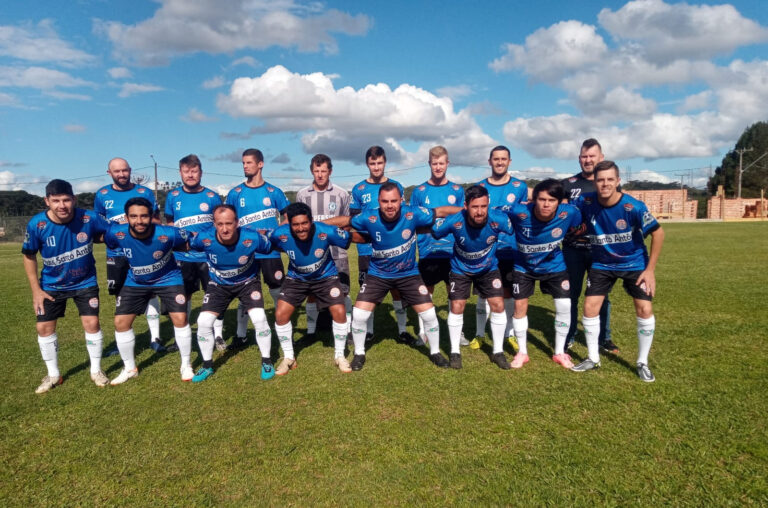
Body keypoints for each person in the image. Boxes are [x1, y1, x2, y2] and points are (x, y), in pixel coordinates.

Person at [339, 182, 459, 371]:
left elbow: (442, 211)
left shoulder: (413, 213)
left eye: (394, 201)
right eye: (385, 201)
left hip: (408, 274)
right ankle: (359, 353)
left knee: (428, 313)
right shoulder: (368, 217)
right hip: (377, 274)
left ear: (401, 200)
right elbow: (345, 221)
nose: (389, 205)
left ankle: (435, 351)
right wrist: (315, 224)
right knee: (360, 314)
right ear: (378, 202)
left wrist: (467, 211)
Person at [570, 161, 664, 382]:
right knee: (590, 306)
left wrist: (650, 270)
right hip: (602, 264)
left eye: (610, 179)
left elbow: (658, 234)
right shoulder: (585, 201)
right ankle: (593, 358)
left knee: (644, 308)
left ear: (618, 181)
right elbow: (563, 208)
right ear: (594, 181)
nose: (605, 184)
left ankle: (642, 362)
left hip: (635, 264)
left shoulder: (634, 207)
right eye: (600, 179)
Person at [22, 179, 110, 393]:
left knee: (92, 324)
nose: (62, 205)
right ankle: (53, 375)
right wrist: (36, 290)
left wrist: (99, 237)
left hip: (85, 282)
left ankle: (96, 370)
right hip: (51, 285)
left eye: (66, 200)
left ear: (74, 199)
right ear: (47, 201)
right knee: (44, 328)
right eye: (56, 201)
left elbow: (112, 233)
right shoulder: (37, 224)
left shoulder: (89, 217)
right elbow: (29, 255)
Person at [103, 197, 193, 384]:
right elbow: (109, 243)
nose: (139, 221)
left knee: (180, 319)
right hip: (135, 281)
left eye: (144, 216)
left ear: (152, 216)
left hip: (169, 279)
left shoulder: (168, 233)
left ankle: (186, 365)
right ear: (126, 218)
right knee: (121, 322)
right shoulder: (116, 233)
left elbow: (190, 241)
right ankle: (129, 368)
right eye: (134, 216)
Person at [187, 205, 274, 382]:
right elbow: (189, 245)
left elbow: (271, 247)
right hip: (218, 285)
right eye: (220, 224)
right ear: (214, 224)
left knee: (259, 318)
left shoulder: (252, 237)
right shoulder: (204, 238)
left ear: (237, 222)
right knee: (203, 322)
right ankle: (207, 365)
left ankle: (267, 360)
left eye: (229, 223)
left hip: (248, 283)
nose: (225, 229)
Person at [431, 185, 513, 370]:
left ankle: (498, 352)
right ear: (466, 206)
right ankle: (454, 352)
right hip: (460, 269)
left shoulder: (498, 220)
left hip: (488, 268)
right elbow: (435, 231)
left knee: (498, 305)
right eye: (475, 207)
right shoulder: (455, 221)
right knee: (457, 306)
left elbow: (518, 226)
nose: (480, 211)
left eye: (483, 206)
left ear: (488, 205)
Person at [503, 179, 582, 369]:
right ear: (534, 200)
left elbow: (579, 225)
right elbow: (493, 214)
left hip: (554, 266)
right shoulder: (518, 211)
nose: (546, 204)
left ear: (560, 202)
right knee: (520, 306)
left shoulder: (569, 212)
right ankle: (522, 352)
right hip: (524, 267)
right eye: (542, 199)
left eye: (552, 200)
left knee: (564, 305)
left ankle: (560, 352)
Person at [268, 203, 353, 374]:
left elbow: (348, 239)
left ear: (311, 221)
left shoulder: (326, 230)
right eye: (295, 225)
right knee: (280, 313)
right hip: (296, 278)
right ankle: (289, 357)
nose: (300, 228)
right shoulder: (280, 234)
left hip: (325, 277)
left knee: (339, 310)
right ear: (289, 224)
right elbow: (271, 244)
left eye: (304, 223)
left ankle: (339, 356)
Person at [94, 158, 165, 352]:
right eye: (117, 171)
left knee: (150, 293)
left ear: (130, 170)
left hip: (143, 251)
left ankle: (155, 338)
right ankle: (123, 340)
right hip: (116, 254)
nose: (122, 174)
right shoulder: (102, 195)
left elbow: (157, 221)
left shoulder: (145, 192)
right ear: (109, 173)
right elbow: (99, 226)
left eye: (125, 170)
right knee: (120, 296)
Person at [225, 148, 289, 348]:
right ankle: (241, 334)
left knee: (277, 290)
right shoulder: (235, 193)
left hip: (270, 251)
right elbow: (228, 220)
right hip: (246, 252)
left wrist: (277, 234)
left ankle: (282, 328)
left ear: (260, 164)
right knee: (246, 292)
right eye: (243, 163)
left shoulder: (274, 192)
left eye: (249, 163)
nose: (245, 166)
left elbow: (286, 217)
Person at [164, 154, 225, 351]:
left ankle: (218, 336)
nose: (190, 175)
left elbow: (219, 225)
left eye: (194, 171)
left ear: (201, 172)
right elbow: (170, 224)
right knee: (184, 296)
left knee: (214, 294)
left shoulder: (212, 196)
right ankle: (182, 336)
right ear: (180, 172)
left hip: (208, 257)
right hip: (183, 257)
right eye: (186, 171)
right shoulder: (172, 197)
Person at [561, 139, 615, 353]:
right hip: (572, 249)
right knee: (570, 295)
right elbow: (561, 214)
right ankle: (569, 335)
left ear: (601, 157)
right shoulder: (569, 184)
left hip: (599, 251)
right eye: (584, 156)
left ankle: (604, 338)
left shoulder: (606, 183)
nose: (588, 160)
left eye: (592, 156)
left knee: (601, 295)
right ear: (579, 158)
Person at [349, 146, 408, 343]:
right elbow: (354, 222)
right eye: (372, 163)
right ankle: (368, 331)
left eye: (379, 163)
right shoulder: (358, 189)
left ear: (385, 163)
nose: (376, 167)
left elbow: (403, 217)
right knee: (368, 290)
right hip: (367, 250)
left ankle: (402, 330)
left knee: (398, 289)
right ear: (367, 164)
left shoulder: (397, 186)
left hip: (393, 248)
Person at [474, 146, 528, 350]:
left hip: (510, 249)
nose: (499, 162)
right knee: (482, 293)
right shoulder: (480, 186)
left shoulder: (519, 186)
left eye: (503, 159)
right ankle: (479, 334)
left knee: (508, 293)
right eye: (496, 159)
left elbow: (522, 218)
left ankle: (509, 334)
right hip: (485, 249)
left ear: (509, 161)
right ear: (489, 161)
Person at [409, 145, 465, 344]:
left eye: (442, 163)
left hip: (452, 252)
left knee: (455, 293)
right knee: (426, 293)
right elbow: (414, 219)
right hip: (428, 251)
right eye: (435, 163)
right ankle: (423, 332)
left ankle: (458, 333)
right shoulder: (419, 191)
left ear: (447, 163)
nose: (438, 167)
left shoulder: (457, 190)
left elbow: (462, 218)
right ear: (429, 164)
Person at [295, 154, 352, 341]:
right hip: (311, 254)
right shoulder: (302, 195)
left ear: (330, 171)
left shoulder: (341, 194)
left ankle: (348, 329)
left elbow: (346, 224)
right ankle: (311, 331)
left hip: (337, 253)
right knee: (311, 293)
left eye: (323, 171)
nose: (320, 175)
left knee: (343, 291)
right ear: (312, 171)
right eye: (316, 171)